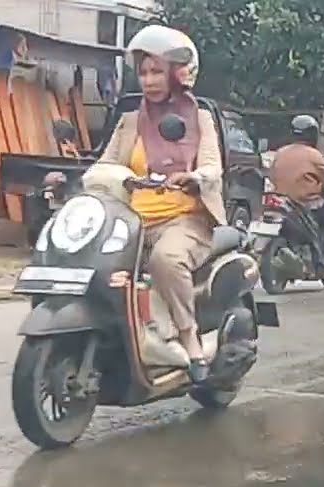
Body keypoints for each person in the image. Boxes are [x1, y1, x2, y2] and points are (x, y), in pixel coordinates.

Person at [86, 25, 225, 384]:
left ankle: (189, 339)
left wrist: (194, 177)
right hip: (130, 220)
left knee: (166, 260)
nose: (148, 80)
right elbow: (104, 164)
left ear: (176, 76)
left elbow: (212, 166)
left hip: (184, 219)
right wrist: (104, 178)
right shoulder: (130, 121)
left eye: (157, 71)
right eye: (144, 72)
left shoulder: (199, 120)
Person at [269, 115, 324, 273]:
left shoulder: (280, 153)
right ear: (312, 134)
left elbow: (271, 174)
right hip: (304, 204)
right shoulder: (313, 155)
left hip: (279, 200)